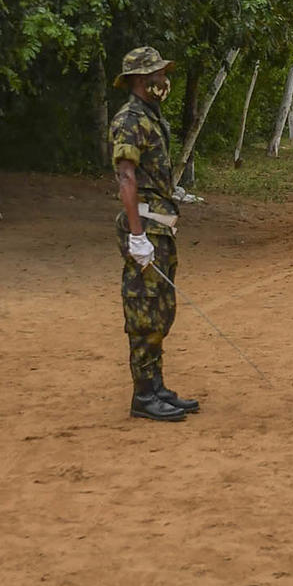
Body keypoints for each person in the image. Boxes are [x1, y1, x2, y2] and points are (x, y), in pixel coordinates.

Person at [109, 46, 197, 422]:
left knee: (161, 310)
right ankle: (143, 394)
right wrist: (136, 234)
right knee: (144, 310)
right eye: (159, 75)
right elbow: (126, 176)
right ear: (144, 80)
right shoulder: (130, 119)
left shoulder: (150, 115)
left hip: (160, 225)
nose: (165, 81)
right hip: (145, 224)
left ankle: (156, 385)